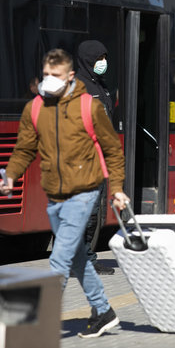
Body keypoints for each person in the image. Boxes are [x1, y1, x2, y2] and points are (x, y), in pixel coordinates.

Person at [0, 48, 130, 338]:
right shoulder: (35, 108)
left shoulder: (89, 107)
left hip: (85, 191)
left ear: (70, 76)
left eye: (55, 76)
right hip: (55, 194)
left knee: (59, 258)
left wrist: (117, 189)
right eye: (46, 75)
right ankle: (103, 312)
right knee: (77, 256)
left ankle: (37, 324)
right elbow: (24, 148)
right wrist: (10, 175)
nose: (50, 80)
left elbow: (113, 151)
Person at [75, 40, 115, 275]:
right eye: (99, 58)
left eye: (104, 57)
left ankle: (87, 258)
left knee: (94, 214)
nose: (103, 63)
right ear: (88, 59)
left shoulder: (100, 86)